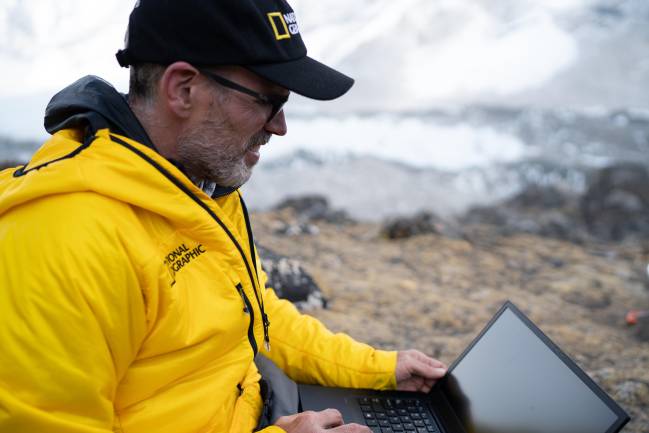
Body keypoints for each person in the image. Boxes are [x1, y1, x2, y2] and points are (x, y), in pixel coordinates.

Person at [0, 1, 447, 432]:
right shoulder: (64, 241)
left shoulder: (195, 185)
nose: (279, 126)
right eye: (268, 100)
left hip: (257, 405)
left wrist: (379, 369)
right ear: (183, 89)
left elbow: (252, 316)